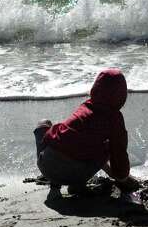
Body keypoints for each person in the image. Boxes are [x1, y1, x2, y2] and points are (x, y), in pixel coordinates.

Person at [34, 68, 140, 201]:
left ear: (95, 89)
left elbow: (51, 140)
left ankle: (55, 186)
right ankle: (77, 185)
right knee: (106, 146)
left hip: (46, 166)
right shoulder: (114, 119)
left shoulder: (85, 106)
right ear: (122, 95)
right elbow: (119, 153)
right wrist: (123, 178)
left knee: (45, 124)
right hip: (77, 174)